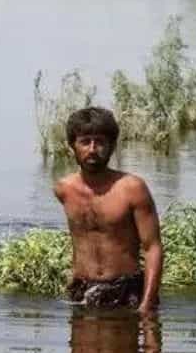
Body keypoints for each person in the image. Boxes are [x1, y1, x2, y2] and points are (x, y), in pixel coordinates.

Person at [53, 107, 164, 314]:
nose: (92, 149)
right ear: (72, 146)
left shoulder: (133, 188)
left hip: (125, 291)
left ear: (112, 146)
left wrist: (147, 304)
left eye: (100, 142)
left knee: (121, 346)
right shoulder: (64, 189)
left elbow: (153, 248)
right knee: (81, 347)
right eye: (85, 142)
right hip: (81, 290)